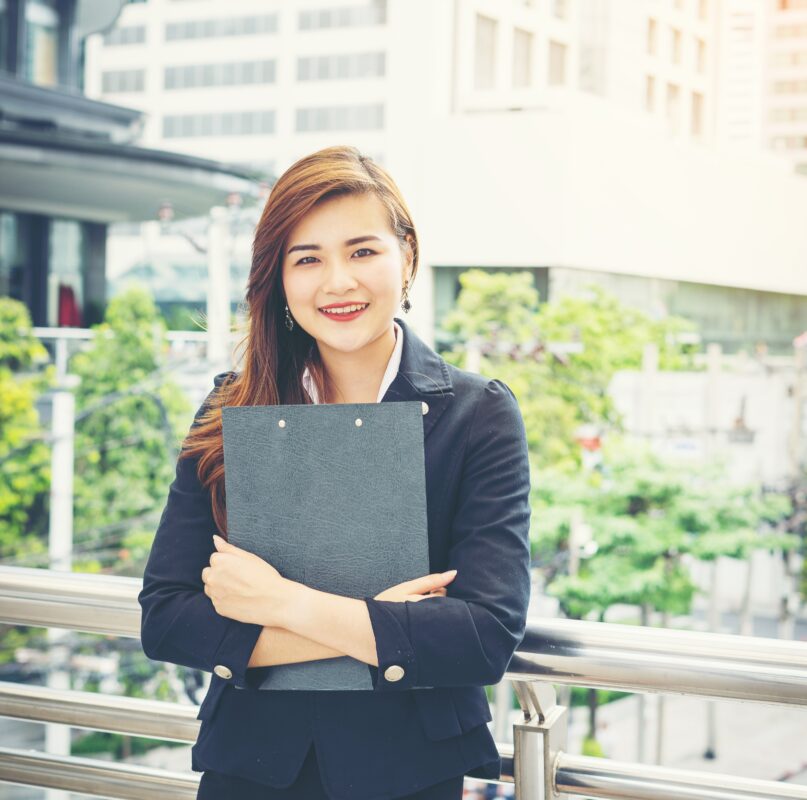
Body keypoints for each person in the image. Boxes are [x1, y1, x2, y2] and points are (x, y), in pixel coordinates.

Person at [138, 145, 532, 800]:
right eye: (307, 259)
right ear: (280, 279)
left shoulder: (477, 414)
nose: (338, 282)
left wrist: (281, 603)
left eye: (362, 251)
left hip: (408, 772)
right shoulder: (233, 406)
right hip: (251, 770)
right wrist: (379, 624)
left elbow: (480, 638)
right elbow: (169, 618)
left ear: (406, 255)